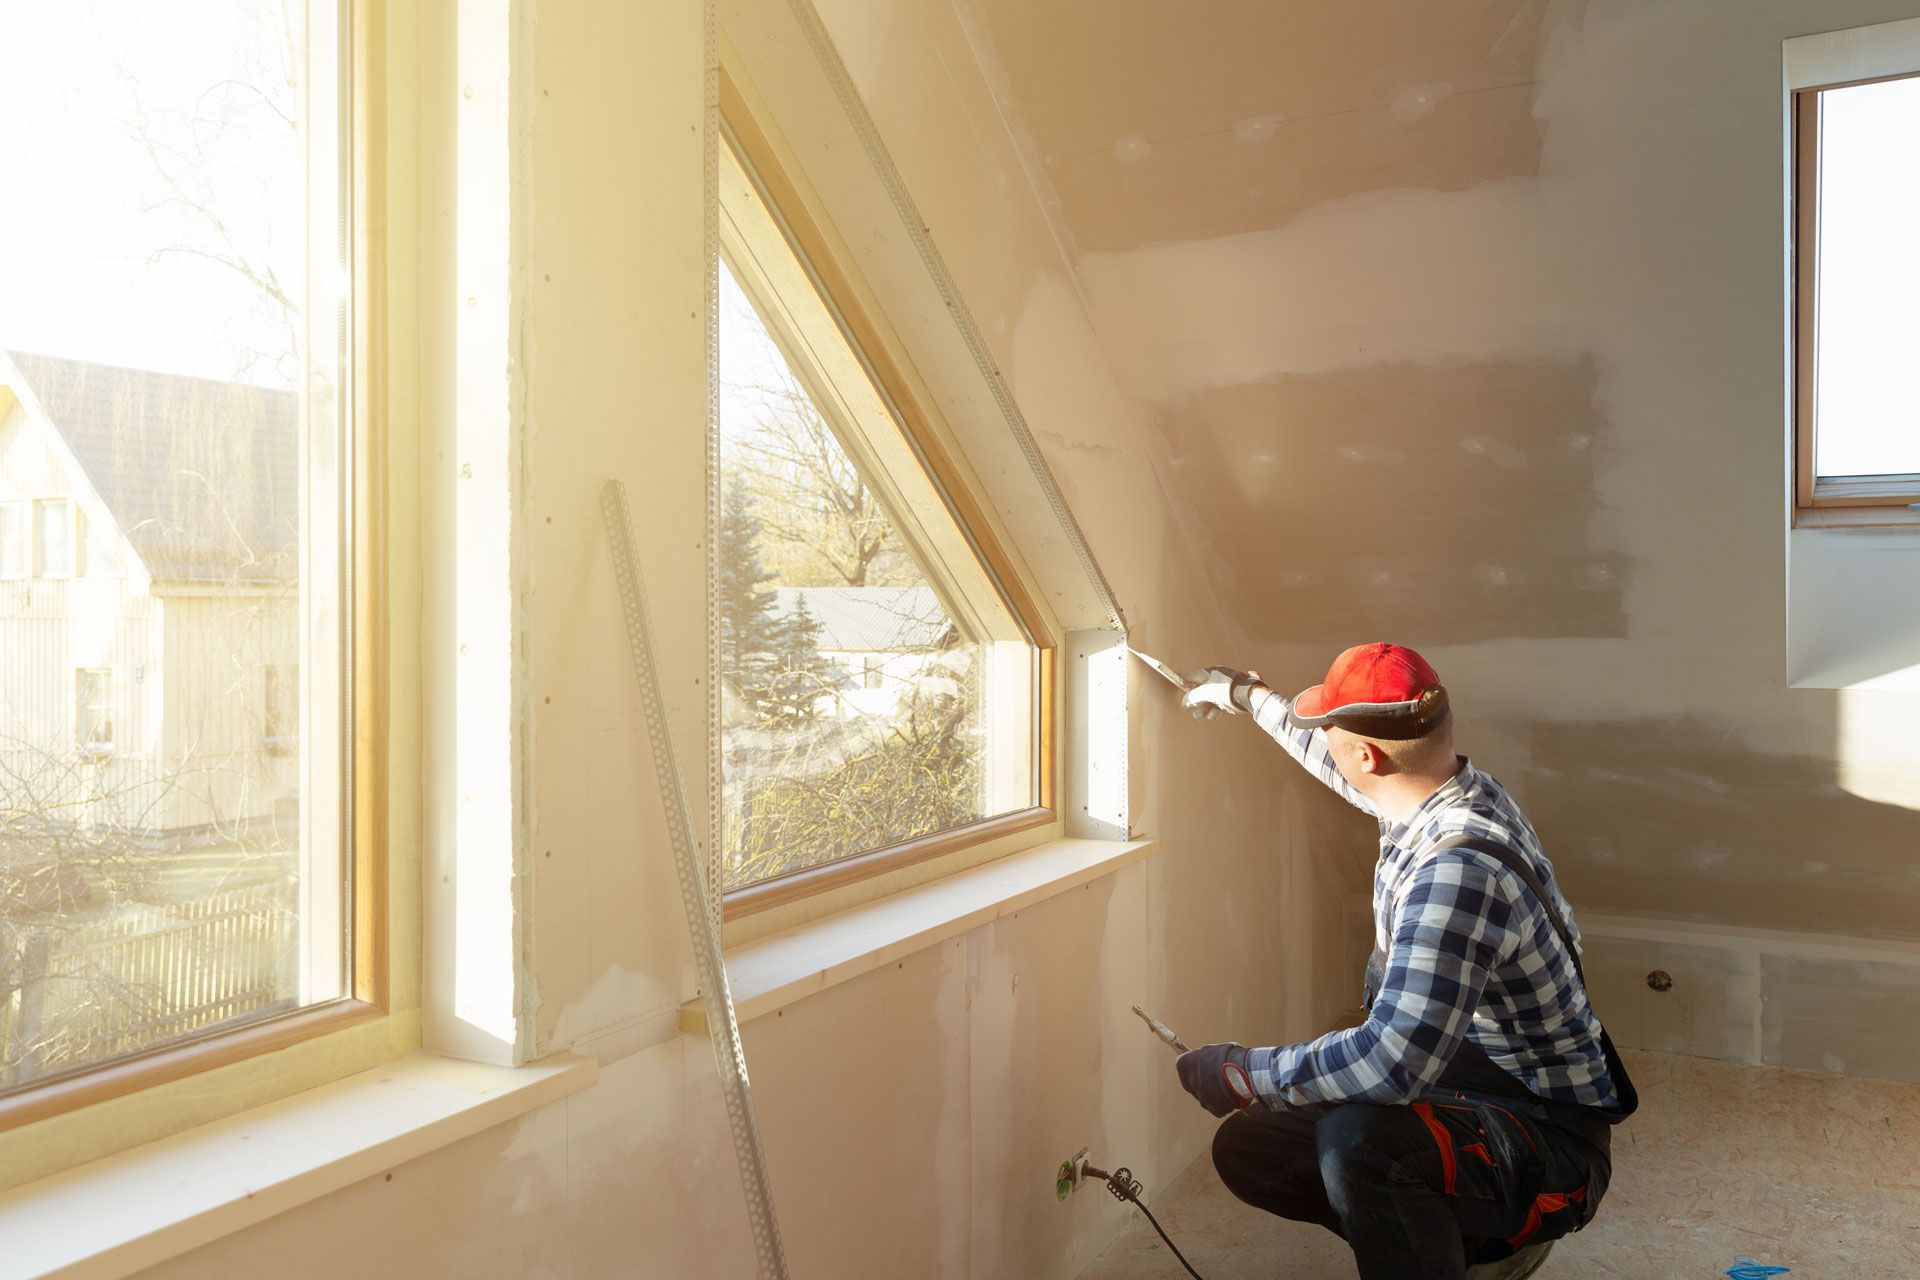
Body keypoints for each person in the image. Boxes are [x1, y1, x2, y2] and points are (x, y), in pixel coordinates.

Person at [1178, 642, 1636, 1280]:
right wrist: (1246, 697)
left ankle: (1503, 1237)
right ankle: (1449, 1240)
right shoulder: (1451, 792)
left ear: (1368, 754)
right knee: (1252, 1149)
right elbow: (1339, 763)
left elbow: (1388, 1064)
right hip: (1468, 1077)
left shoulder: (1455, 872)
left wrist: (1241, 1072)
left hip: (1548, 1134)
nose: (1327, 747)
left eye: (1329, 731)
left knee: (1358, 1147)